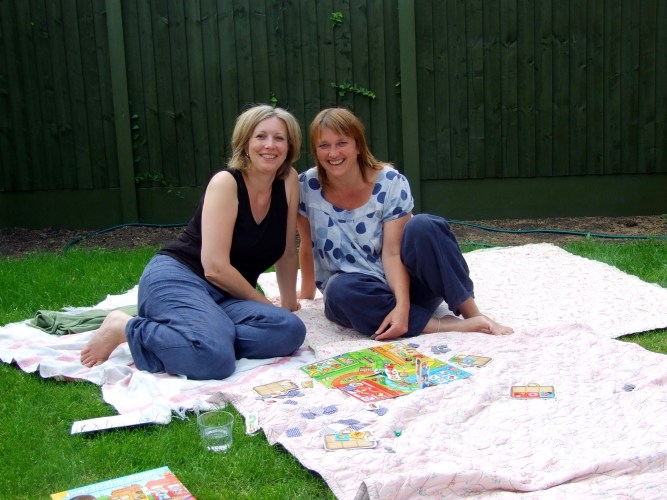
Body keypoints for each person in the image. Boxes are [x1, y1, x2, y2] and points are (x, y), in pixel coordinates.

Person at [81, 104, 306, 379]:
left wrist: (287, 306)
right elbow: (215, 268)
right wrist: (263, 304)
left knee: (289, 330)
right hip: (180, 277)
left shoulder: (288, 180)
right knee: (215, 361)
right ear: (245, 143)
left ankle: (205, 336)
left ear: (289, 146)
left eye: (279, 138)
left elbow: (286, 251)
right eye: (260, 136)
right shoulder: (226, 183)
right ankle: (126, 327)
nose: (270, 145)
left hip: (227, 296)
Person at [297, 107, 513, 341]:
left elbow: (392, 252)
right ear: (315, 151)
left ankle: (474, 316)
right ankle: (440, 325)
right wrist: (306, 294)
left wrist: (402, 305)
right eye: (324, 145)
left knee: (424, 225)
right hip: (360, 294)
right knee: (337, 290)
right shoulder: (306, 187)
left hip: (409, 285)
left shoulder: (390, 182)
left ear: (358, 145)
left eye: (342, 143)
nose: (333, 153)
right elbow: (308, 245)